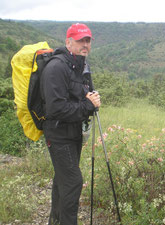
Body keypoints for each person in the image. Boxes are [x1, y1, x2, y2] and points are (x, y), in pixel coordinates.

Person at [40, 23, 100, 225]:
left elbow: (80, 98)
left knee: (63, 180)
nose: (85, 44)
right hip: (58, 135)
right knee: (73, 182)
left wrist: (91, 100)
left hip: (73, 133)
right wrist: (87, 105)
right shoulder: (56, 67)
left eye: (87, 40)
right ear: (68, 42)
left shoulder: (81, 65)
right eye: (80, 40)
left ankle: (55, 222)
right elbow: (55, 109)